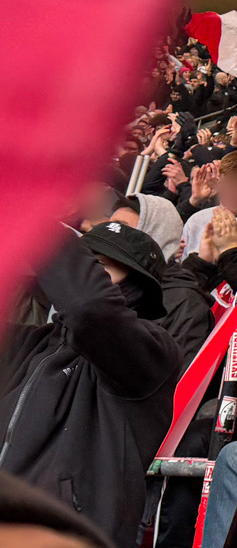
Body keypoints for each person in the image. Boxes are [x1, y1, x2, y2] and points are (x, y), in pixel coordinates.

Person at [0, 222, 180, 547]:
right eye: (84, 260)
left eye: (98, 265)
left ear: (136, 284)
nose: (83, 271)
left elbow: (90, 309)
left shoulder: (153, 352)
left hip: (65, 536)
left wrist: (42, 224)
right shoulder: (36, 342)